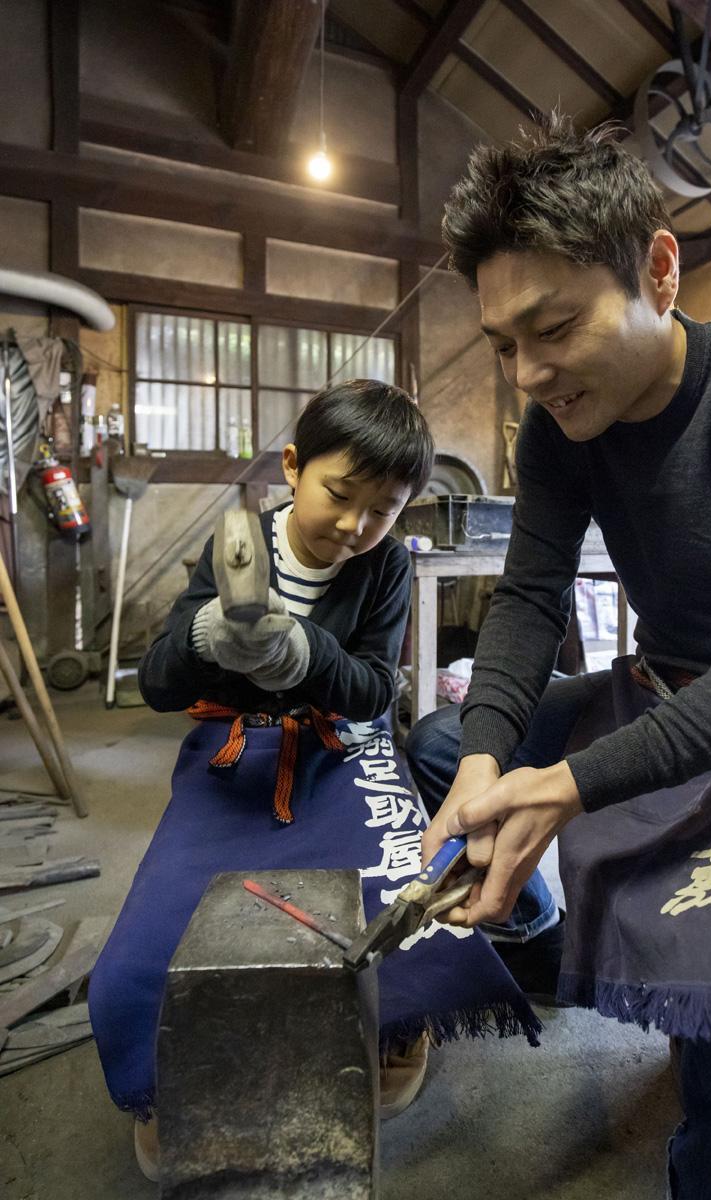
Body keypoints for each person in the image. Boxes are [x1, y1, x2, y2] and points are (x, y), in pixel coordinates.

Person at [408, 115, 711, 1198]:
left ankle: (699, 1008)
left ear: (660, 272)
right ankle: (563, 950)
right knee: (449, 749)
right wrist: (497, 761)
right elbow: (530, 599)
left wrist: (571, 787)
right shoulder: (558, 427)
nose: (529, 373)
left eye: (556, 327)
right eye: (504, 346)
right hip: (666, 682)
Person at [90, 380, 453, 1179]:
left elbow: (370, 688)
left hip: (342, 747)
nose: (357, 525)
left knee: (411, 910)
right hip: (238, 752)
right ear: (292, 466)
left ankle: (398, 1029)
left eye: (384, 508)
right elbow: (156, 685)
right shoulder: (237, 543)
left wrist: (308, 657)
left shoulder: (384, 565)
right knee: (148, 948)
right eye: (340, 494)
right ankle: (163, 1089)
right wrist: (205, 636)